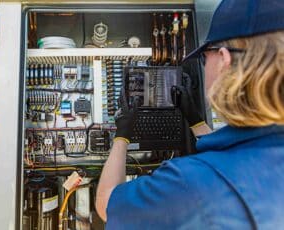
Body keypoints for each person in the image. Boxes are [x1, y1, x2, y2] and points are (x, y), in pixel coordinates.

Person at [95, 0, 284, 229]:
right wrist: (195, 120)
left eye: (205, 56)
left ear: (224, 60)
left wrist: (122, 135)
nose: (204, 65)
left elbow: (107, 203)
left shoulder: (191, 183)